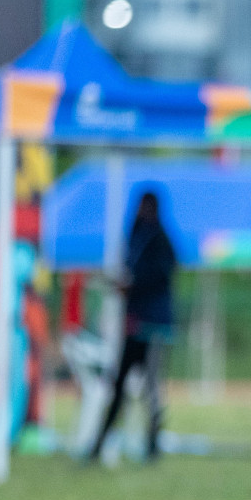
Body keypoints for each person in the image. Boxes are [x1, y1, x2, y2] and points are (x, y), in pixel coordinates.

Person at [82, 189, 177, 464]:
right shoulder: (138, 237)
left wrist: (133, 285)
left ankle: (149, 445)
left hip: (152, 326)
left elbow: (160, 274)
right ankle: (102, 443)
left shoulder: (157, 240)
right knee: (124, 386)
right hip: (136, 325)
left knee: (150, 390)